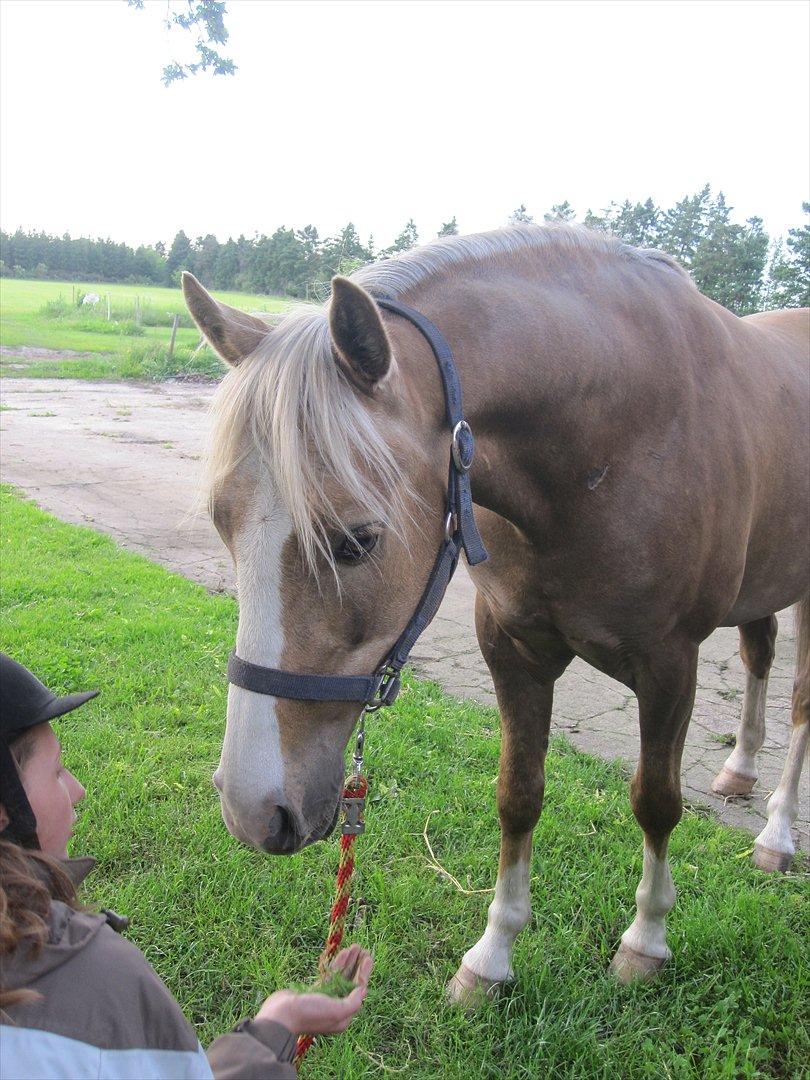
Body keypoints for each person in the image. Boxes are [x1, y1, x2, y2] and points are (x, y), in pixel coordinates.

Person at [0, 652, 373, 1078]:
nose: (78, 790)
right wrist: (278, 1028)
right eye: (56, 771)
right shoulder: (96, 984)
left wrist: (279, 1023)